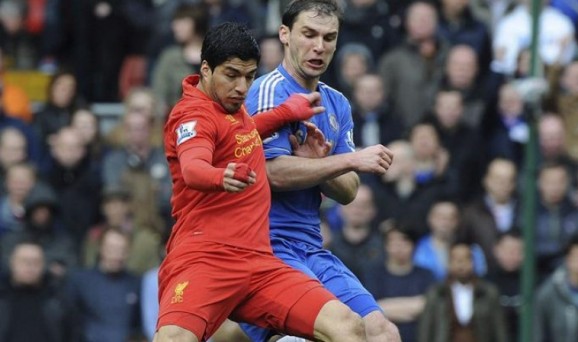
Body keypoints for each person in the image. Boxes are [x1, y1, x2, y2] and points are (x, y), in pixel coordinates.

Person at [155, 22, 366, 342]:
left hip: (257, 262)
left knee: (348, 327)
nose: (242, 87)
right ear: (206, 70)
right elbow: (193, 167)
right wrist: (220, 176)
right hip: (207, 258)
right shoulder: (192, 115)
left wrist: (283, 113)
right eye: (232, 74)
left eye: (250, 76)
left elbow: (242, 135)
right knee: (173, 339)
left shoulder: (229, 107)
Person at [240, 1, 399, 341]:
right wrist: (345, 161)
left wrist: (322, 166)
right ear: (285, 34)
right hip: (267, 247)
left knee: (382, 333)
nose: (319, 46)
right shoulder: (270, 91)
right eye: (309, 34)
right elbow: (273, 173)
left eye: (329, 37)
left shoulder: (337, 103)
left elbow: (349, 190)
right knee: (340, 330)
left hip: (310, 248)